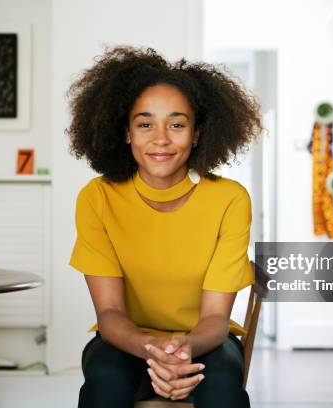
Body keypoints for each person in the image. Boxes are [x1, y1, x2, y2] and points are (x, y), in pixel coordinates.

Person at [67, 46, 262, 408]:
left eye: (176, 124)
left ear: (198, 133)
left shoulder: (230, 199)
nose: (161, 139)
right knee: (104, 381)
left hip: (206, 343)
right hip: (125, 342)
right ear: (126, 133)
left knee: (222, 390)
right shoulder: (98, 198)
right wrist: (152, 347)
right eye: (145, 124)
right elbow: (109, 316)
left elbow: (216, 319)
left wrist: (183, 347)